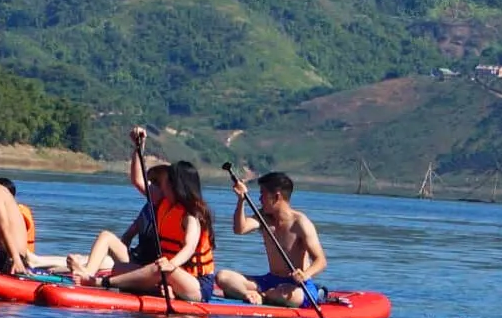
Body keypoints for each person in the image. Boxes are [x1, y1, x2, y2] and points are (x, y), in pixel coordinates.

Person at [70, 158, 215, 303]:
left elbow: (189, 247)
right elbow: (138, 181)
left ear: (177, 186)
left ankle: (98, 283)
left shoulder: (192, 215)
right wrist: (138, 145)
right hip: (170, 275)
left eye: (166, 182)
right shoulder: (163, 203)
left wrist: (172, 264)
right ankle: (161, 290)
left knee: (159, 268)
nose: (162, 186)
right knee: (119, 268)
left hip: (196, 285)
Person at [216, 170, 329, 307]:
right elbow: (240, 229)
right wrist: (241, 201)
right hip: (269, 280)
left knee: (293, 296)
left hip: (295, 285)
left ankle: (261, 296)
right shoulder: (264, 218)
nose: (259, 199)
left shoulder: (300, 223)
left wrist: (305, 274)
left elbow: (321, 261)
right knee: (223, 276)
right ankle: (253, 295)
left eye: (262, 194)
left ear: (276, 197)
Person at [69, 126, 167, 277]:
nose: (150, 185)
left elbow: (138, 181)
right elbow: (127, 237)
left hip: (150, 268)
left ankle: (87, 273)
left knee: (103, 250)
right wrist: (138, 147)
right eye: (152, 181)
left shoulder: (168, 207)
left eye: (155, 183)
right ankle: (87, 272)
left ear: (165, 189)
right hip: (137, 260)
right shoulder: (149, 208)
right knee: (106, 237)